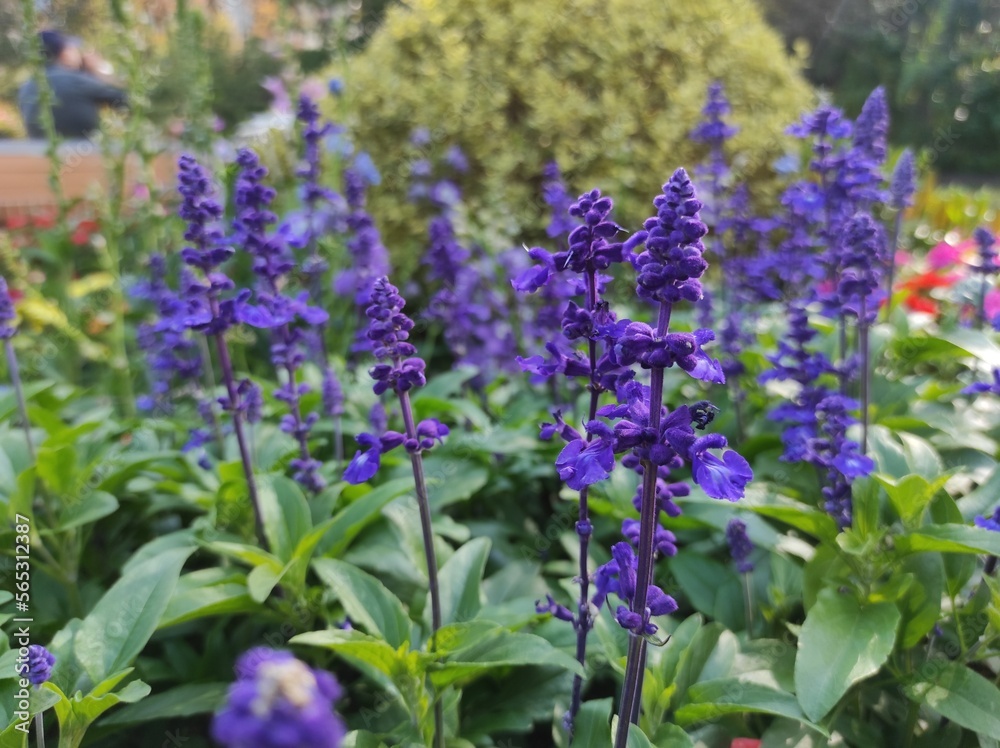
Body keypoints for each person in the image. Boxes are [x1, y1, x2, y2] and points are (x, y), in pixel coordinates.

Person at [17, 30, 128, 140]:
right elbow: (129, 101)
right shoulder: (76, 80)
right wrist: (100, 71)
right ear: (64, 54)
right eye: (73, 48)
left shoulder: (26, 87)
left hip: (41, 154)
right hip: (87, 155)